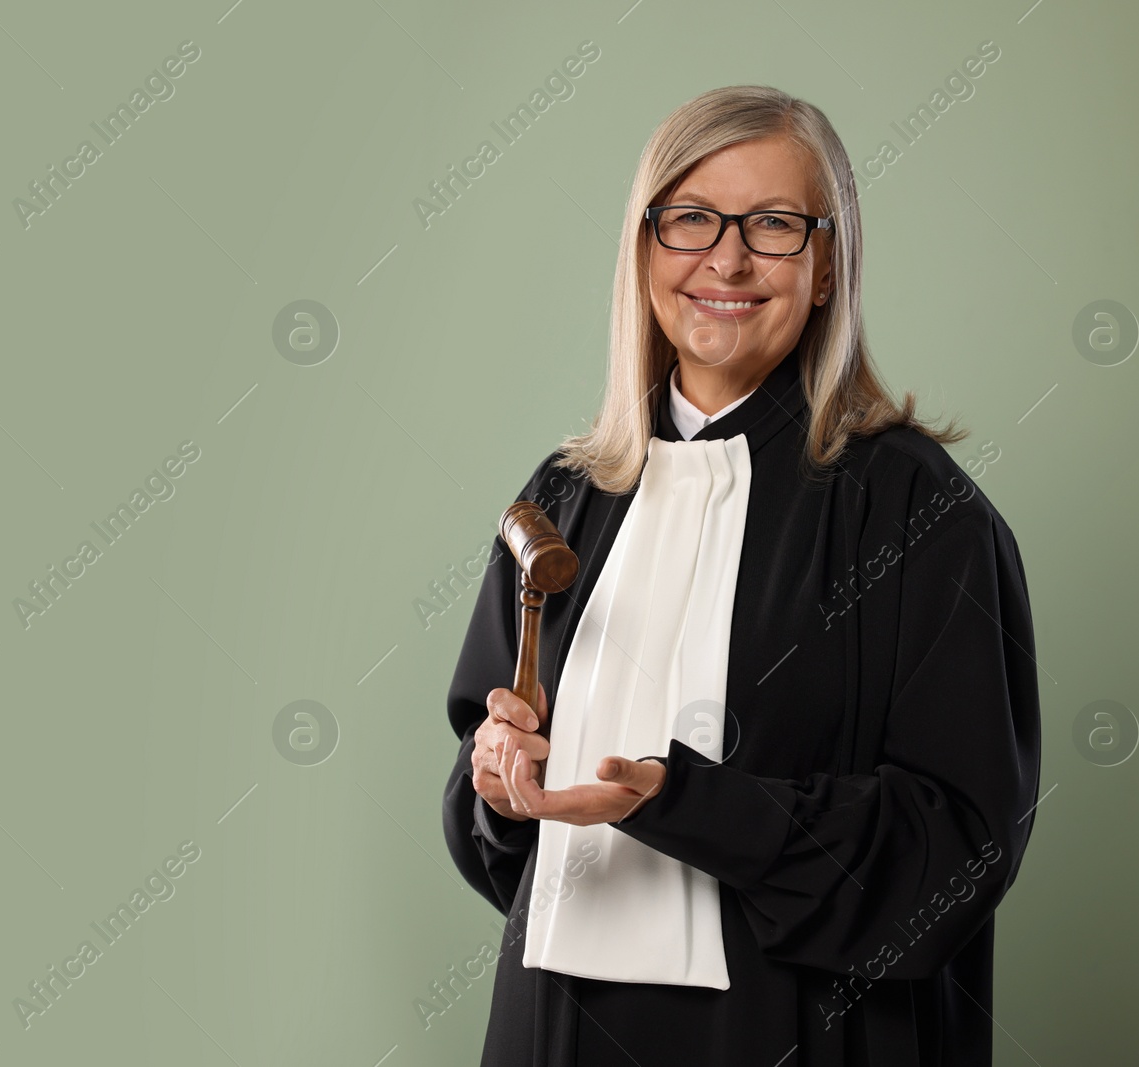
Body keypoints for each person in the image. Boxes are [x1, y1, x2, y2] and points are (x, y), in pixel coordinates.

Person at [441, 84, 1042, 1067]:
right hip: (555, 1032)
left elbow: (955, 852)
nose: (724, 258)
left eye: (770, 224)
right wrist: (499, 788)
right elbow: (488, 810)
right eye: (690, 219)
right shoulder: (564, 495)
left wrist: (680, 802)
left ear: (824, 268)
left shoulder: (919, 515)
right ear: (643, 252)